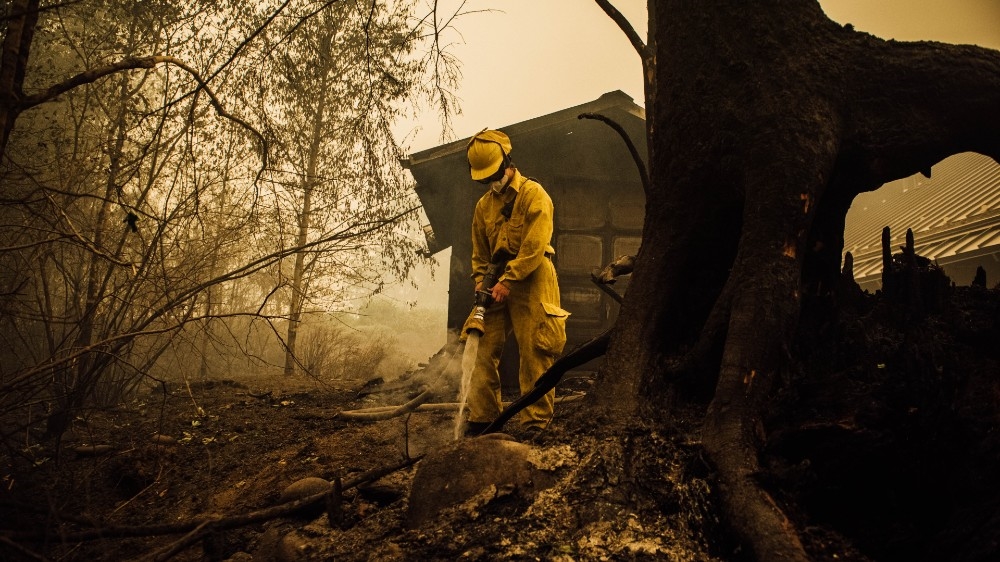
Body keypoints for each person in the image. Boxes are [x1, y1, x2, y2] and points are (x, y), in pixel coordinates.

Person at [462, 128, 569, 439]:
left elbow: (535, 246)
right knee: (479, 345)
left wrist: (509, 280)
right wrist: (481, 280)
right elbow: (480, 252)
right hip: (495, 281)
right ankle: (484, 421)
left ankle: (535, 425)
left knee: (536, 348)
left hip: (532, 276)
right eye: (484, 178)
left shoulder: (534, 195)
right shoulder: (483, 207)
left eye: (494, 175)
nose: (491, 181)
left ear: (507, 163)